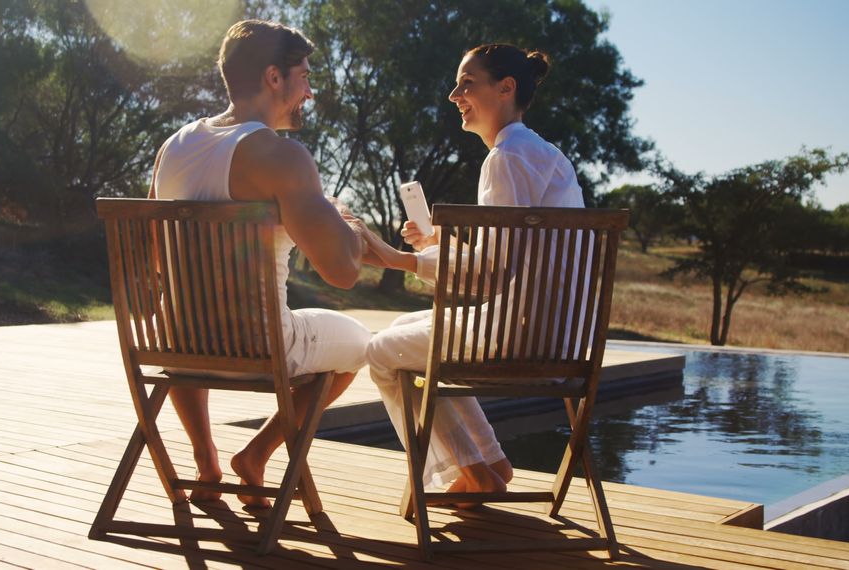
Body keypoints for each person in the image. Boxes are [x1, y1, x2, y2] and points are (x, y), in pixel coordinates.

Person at [149, 20, 373, 507]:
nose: (308, 92)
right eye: (305, 77)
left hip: (175, 344)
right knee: (359, 345)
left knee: (182, 321)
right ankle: (256, 453)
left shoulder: (173, 148)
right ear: (275, 77)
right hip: (260, 345)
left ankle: (205, 459)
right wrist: (349, 225)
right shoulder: (281, 156)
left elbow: (156, 260)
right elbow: (344, 272)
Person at [359, 44, 585, 504]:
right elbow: (507, 258)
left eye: (467, 83)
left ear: (506, 88)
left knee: (381, 351)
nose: (453, 94)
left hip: (522, 335)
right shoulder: (545, 155)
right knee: (404, 329)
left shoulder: (504, 159)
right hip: (558, 331)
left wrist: (396, 258)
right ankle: (488, 461)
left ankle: (475, 470)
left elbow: (488, 276)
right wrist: (437, 245)